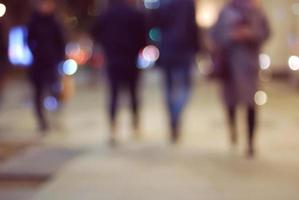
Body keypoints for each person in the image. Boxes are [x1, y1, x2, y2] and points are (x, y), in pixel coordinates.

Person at [210, 0, 270, 157]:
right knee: (230, 102)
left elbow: (266, 33)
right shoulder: (226, 11)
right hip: (229, 66)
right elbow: (215, 34)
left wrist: (250, 34)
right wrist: (231, 36)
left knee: (251, 104)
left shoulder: (257, 11)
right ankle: (233, 129)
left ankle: (250, 142)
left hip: (249, 67)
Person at [92, 0, 147, 145]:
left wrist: (107, 45)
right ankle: (135, 125)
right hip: (130, 59)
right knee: (133, 92)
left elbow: (96, 33)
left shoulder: (106, 14)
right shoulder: (135, 13)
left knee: (113, 94)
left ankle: (112, 128)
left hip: (113, 59)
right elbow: (143, 38)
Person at [151, 0, 200, 143]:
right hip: (184, 50)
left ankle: (173, 118)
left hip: (167, 49)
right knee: (186, 88)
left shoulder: (161, 3)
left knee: (168, 89)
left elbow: (154, 24)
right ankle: (175, 115)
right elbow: (193, 26)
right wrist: (197, 48)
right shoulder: (188, 3)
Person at [27, 0, 65, 132]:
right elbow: (28, 40)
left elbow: (61, 42)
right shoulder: (33, 21)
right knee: (38, 94)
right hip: (38, 63)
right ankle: (42, 121)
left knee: (54, 92)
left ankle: (55, 118)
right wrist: (35, 52)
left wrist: (59, 58)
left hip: (51, 63)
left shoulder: (55, 22)